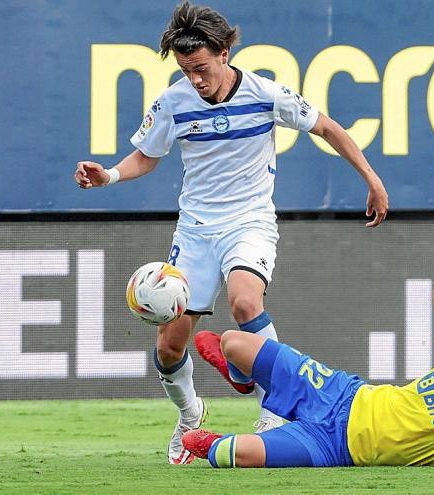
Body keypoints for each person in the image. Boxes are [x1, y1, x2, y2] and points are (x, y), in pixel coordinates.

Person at [74, 1, 388, 465]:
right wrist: (110, 177)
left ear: (224, 52)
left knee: (246, 301)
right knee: (168, 347)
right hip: (196, 230)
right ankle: (189, 416)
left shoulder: (265, 93)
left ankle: (273, 406)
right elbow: (147, 155)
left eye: (200, 67)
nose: (194, 79)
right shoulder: (171, 101)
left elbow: (327, 127)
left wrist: (373, 179)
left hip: (250, 221)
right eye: (185, 69)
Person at [185, 256, 434, 470]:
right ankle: (240, 377)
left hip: (335, 447)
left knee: (231, 455)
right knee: (232, 342)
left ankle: (221, 439)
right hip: (338, 393)